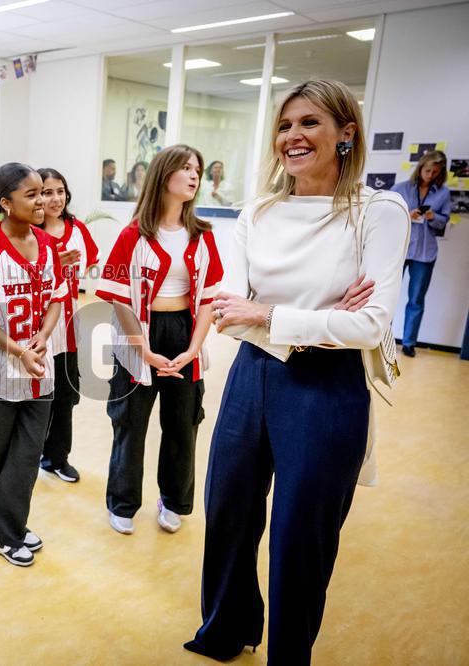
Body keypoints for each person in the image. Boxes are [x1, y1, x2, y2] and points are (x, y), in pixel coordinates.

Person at [184, 80, 409, 663]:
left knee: (299, 537)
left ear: (346, 134)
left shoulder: (379, 213)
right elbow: (225, 308)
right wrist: (317, 319)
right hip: (251, 377)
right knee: (229, 512)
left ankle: (289, 654)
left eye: (310, 123)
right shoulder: (258, 209)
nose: (293, 136)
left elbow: (371, 327)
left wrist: (269, 313)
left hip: (326, 392)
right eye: (285, 126)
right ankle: (227, 628)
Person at [95, 145, 222, 536]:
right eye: (185, 168)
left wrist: (193, 349)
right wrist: (143, 349)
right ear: (164, 175)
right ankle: (123, 502)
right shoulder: (133, 234)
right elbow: (119, 301)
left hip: (184, 333)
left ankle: (173, 499)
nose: (193, 175)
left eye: (197, 169)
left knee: (183, 424)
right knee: (130, 423)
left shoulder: (202, 235)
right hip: (138, 335)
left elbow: (208, 301)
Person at [0, 162, 67, 567]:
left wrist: (42, 336)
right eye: (32, 194)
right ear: (6, 203)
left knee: (26, 453)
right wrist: (16, 350)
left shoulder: (49, 244)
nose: (43, 201)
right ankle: (4, 531)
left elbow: (58, 297)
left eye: (44, 192)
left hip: (40, 365)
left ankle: (4, 530)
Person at [35, 167, 99, 483]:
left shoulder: (77, 229)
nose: (55, 198)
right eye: (47, 192)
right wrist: (53, 264)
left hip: (67, 327)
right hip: (34, 327)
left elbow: (89, 263)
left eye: (60, 190)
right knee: (34, 396)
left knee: (65, 395)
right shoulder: (26, 233)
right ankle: (29, 454)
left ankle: (57, 457)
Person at [391, 150, 451, 356]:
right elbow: (386, 217)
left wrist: (434, 216)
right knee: (386, 295)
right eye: (427, 170)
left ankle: (409, 343)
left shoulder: (443, 193)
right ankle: (380, 339)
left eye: (435, 172)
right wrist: (407, 215)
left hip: (425, 254)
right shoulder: (399, 189)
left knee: (416, 299)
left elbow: (443, 221)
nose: (430, 175)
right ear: (420, 168)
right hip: (399, 250)